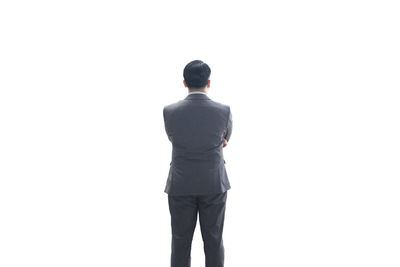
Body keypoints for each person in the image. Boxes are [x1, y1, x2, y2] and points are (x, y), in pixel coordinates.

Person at [163, 60, 233, 267]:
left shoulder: (169, 111)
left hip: (181, 184)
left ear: (184, 83)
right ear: (209, 83)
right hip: (213, 184)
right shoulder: (224, 111)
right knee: (213, 240)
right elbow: (225, 137)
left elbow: (173, 137)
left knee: (180, 242)